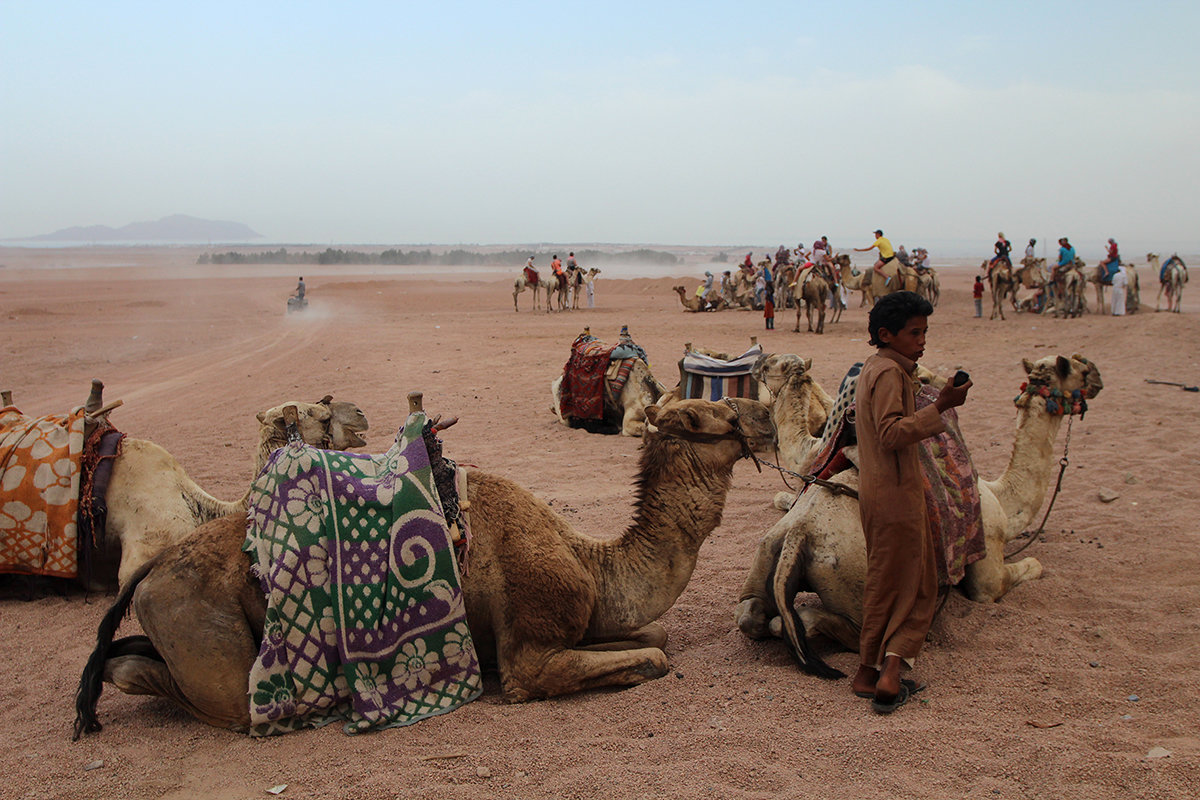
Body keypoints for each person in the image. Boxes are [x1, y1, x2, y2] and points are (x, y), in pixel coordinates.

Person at [852, 291, 971, 714]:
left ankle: (867, 671)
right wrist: (941, 405)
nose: (922, 341)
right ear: (887, 334)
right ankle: (891, 672)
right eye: (914, 333)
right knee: (917, 583)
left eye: (924, 332)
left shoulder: (879, 368)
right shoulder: (888, 374)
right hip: (896, 492)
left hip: (880, 489)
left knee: (885, 579)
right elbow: (889, 433)